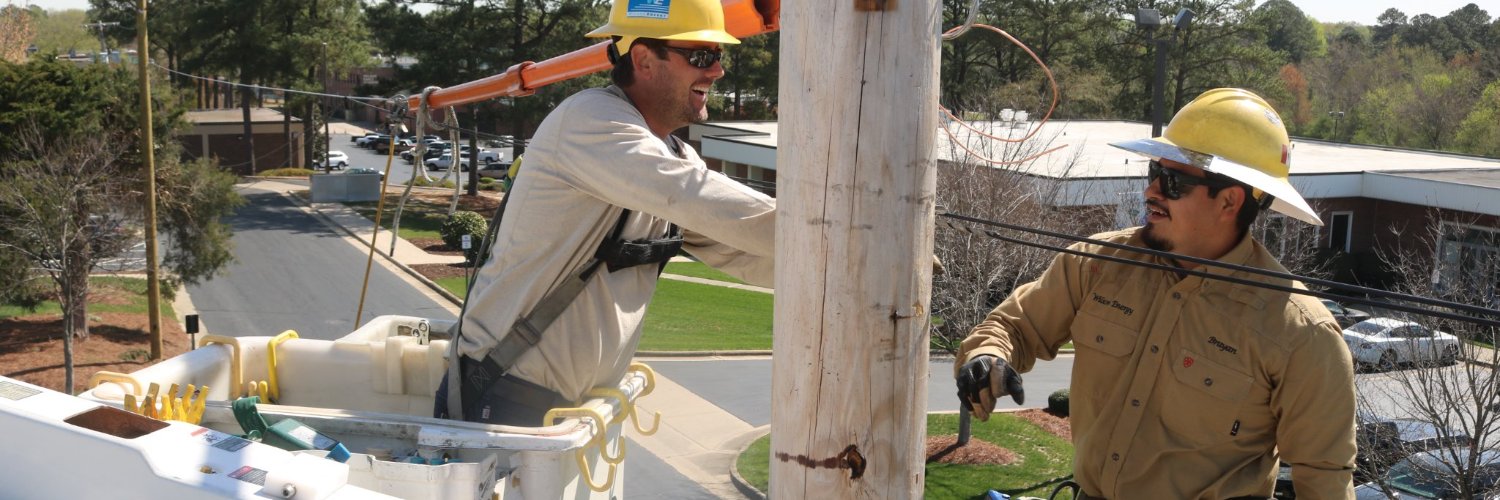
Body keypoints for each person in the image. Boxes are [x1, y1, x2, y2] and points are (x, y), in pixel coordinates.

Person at [954, 88, 1357, 499]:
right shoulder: (1097, 263)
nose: (1152, 191)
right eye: (1154, 172)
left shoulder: (1301, 332)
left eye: (1174, 182)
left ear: (1229, 201)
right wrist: (987, 356)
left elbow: (1325, 478)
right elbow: (1015, 326)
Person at [434, 0, 775, 427]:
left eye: (718, 55)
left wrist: (842, 274)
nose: (717, 71)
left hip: (567, 409)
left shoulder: (668, 154)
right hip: (506, 396)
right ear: (643, 59)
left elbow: (740, 250)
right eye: (702, 56)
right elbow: (695, 196)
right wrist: (838, 233)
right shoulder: (591, 121)